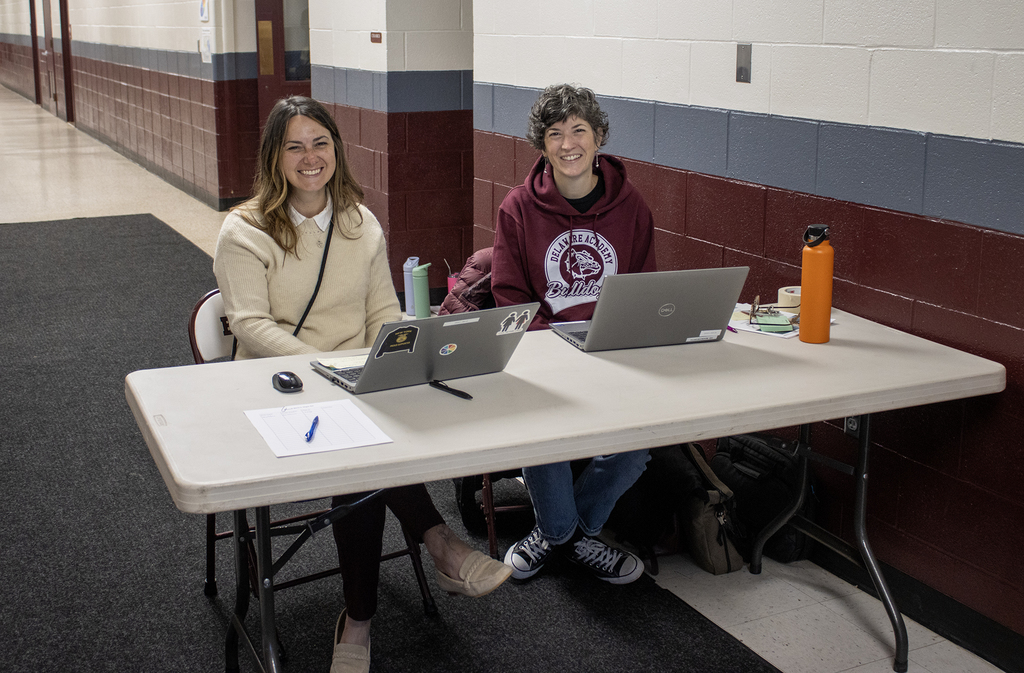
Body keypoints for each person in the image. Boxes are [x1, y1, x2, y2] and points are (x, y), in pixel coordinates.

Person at [213, 95, 511, 673]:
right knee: (367, 450)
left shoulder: (359, 221)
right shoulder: (244, 230)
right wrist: (327, 368)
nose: (309, 157)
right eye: (294, 146)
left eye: (320, 143)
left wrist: (397, 356)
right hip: (280, 388)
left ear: (337, 151)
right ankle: (436, 548)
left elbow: (384, 310)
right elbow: (249, 324)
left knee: (367, 443)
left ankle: (361, 618)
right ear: (274, 156)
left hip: (358, 383)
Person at [492, 83, 655, 584]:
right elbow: (511, 300)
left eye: (579, 130)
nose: (568, 144)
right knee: (540, 429)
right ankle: (571, 537)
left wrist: (615, 348)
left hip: (613, 349)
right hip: (546, 351)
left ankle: (559, 535)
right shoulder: (517, 208)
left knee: (643, 441)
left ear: (599, 137)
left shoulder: (633, 208)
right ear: (541, 145)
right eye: (555, 134)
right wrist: (559, 356)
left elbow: (644, 291)